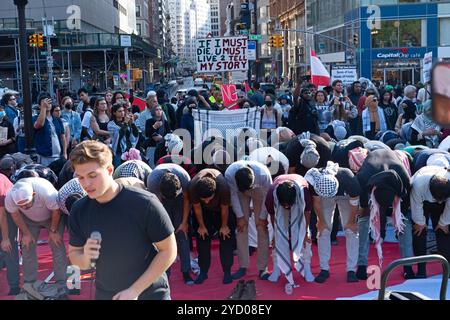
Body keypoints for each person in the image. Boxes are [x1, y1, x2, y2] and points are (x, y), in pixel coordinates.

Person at [68, 140, 176, 300]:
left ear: (110, 170)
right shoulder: (79, 210)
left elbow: (169, 251)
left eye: (92, 175)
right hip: (106, 293)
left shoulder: (144, 203)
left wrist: (134, 290)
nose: (86, 184)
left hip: (151, 293)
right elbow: (76, 258)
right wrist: (86, 256)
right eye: (81, 177)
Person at [355, 149, 414, 280]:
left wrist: (398, 220)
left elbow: (404, 209)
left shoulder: (405, 181)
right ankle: (361, 266)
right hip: (372, 185)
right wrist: (366, 208)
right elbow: (364, 206)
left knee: (405, 223)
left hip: (392, 188)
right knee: (364, 221)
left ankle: (407, 267)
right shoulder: (363, 179)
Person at [5, 177, 68, 289]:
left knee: (57, 245)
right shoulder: (10, 197)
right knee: (27, 247)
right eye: (21, 205)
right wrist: (26, 233)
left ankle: (61, 282)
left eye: (27, 203)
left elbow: (56, 211)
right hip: (28, 220)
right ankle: (29, 283)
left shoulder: (47, 192)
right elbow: (15, 215)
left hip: (52, 216)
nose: (24, 207)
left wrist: (53, 231)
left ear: (33, 194)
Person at [305, 162, 360, 283]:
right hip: (324, 195)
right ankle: (324, 268)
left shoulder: (349, 179)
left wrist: (351, 222)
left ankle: (351, 269)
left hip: (346, 195)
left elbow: (354, 202)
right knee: (323, 230)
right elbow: (317, 203)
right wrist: (322, 221)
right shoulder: (316, 180)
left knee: (351, 231)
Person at [147, 163, 194, 285]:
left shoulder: (184, 178)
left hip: (179, 201)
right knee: (165, 238)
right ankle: (165, 273)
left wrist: (184, 222)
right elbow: (156, 206)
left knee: (181, 234)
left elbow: (187, 200)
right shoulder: (152, 182)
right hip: (161, 202)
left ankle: (186, 271)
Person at [225, 160, 272, 280]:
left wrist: (262, 217)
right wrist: (240, 216)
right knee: (241, 227)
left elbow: (268, 196)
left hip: (259, 190)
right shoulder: (230, 173)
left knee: (262, 228)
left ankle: (263, 268)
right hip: (239, 192)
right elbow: (234, 196)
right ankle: (242, 266)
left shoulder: (263, 174)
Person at [187, 168, 236, 284]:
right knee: (202, 236)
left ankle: (227, 271)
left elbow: (225, 208)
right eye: (204, 199)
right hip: (203, 212)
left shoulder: (223, 187)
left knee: (226, 236)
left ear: (215, 192)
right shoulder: (193, 187)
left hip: (221, 210)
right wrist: (201, 226)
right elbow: (197, 207)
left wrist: (224, 226)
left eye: (209, 198)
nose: (207, 201)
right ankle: (203, 271)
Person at [265, 174, 314, 285]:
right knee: (276, 237)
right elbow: (272, 215)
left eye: (289, 205)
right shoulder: (271, 194)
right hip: (279, 208)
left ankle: (307, 268)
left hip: (299, 206)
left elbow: (307, 212)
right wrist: (275, 235)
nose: (287, 208)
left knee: (305, 237)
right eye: (284, 205)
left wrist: (305, 231)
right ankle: (277, 269)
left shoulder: (303, 192)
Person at [411, 166, 450, 278]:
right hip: (422, 203)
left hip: (445, 203)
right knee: (419, 232)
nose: (438, 202)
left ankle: (448, 269)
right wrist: (420, 223)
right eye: (437, 199)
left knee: (443, 232)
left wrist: (444, 222)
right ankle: (421, 269)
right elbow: (416, 204)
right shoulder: (418, 184)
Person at [0, 173, 20, 295]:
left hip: (8, 211)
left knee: (9, 247)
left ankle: (14, 286)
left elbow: (2, 215)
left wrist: (6, 238)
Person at [33, 94, 67, 166]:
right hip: (44, 156)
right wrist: (43, 108)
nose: (47, 104)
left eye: (49, 102)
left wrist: (64, 153)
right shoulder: (35, 118)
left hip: (58, 156)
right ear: (39, 106)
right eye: (44, 103)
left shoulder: (57, 120)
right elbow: (39, 124)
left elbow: (62, 137)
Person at [107, 103, 139, 168]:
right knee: (119, 170)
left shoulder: (126, 122)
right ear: (114, 113)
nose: (122, 113)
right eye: (119, 111)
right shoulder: (111, 124)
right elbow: (119, 136)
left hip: (129, 149)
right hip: (119, 151)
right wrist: (125, 123)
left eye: (123, 111)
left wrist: (132, 123)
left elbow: (136, 134)